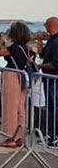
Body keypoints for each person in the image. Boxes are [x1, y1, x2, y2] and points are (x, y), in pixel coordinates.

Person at [0, 22, 31, 148]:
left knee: (9, 106)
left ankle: (10, 137)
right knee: (20, 107)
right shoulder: (25, 48)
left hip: (11, 75)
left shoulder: (14, 48)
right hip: (23, 77)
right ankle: (19, 135)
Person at [39, 17, 58, 147]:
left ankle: (56, 136)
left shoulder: (57, 41)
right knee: (50, 106)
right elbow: (42, 54)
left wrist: (41, 66)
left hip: (54, 79)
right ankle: (50, 134)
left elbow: (55, 64)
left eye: (46, 24)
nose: (45, 27)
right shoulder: (51, 39)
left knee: (55, 106)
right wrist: (39, 41)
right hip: (47, 78)